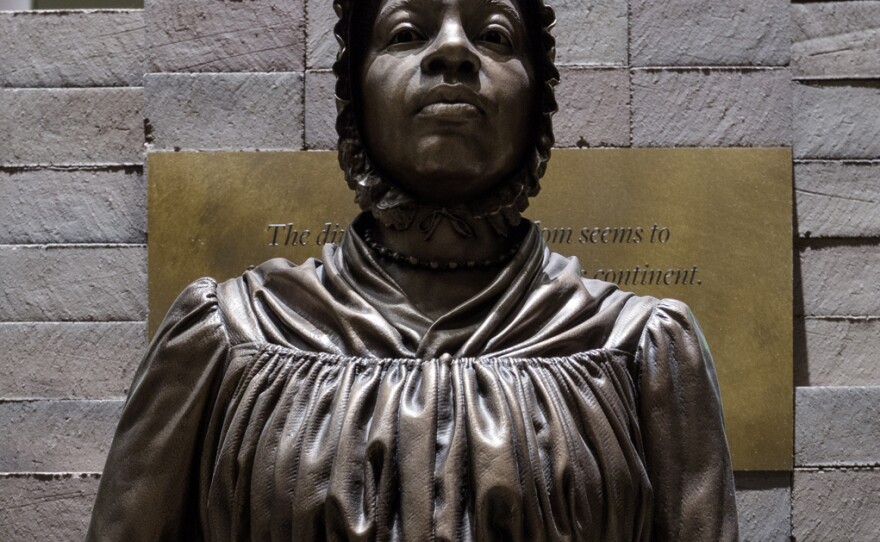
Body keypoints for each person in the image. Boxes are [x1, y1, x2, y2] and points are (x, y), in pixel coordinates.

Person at [88, 0, 739, 539]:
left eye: (494, 34)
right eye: (406, 31)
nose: (453, 52)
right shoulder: (228, 339)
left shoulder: (638, 351)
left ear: (538, 99)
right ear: (355, 94)